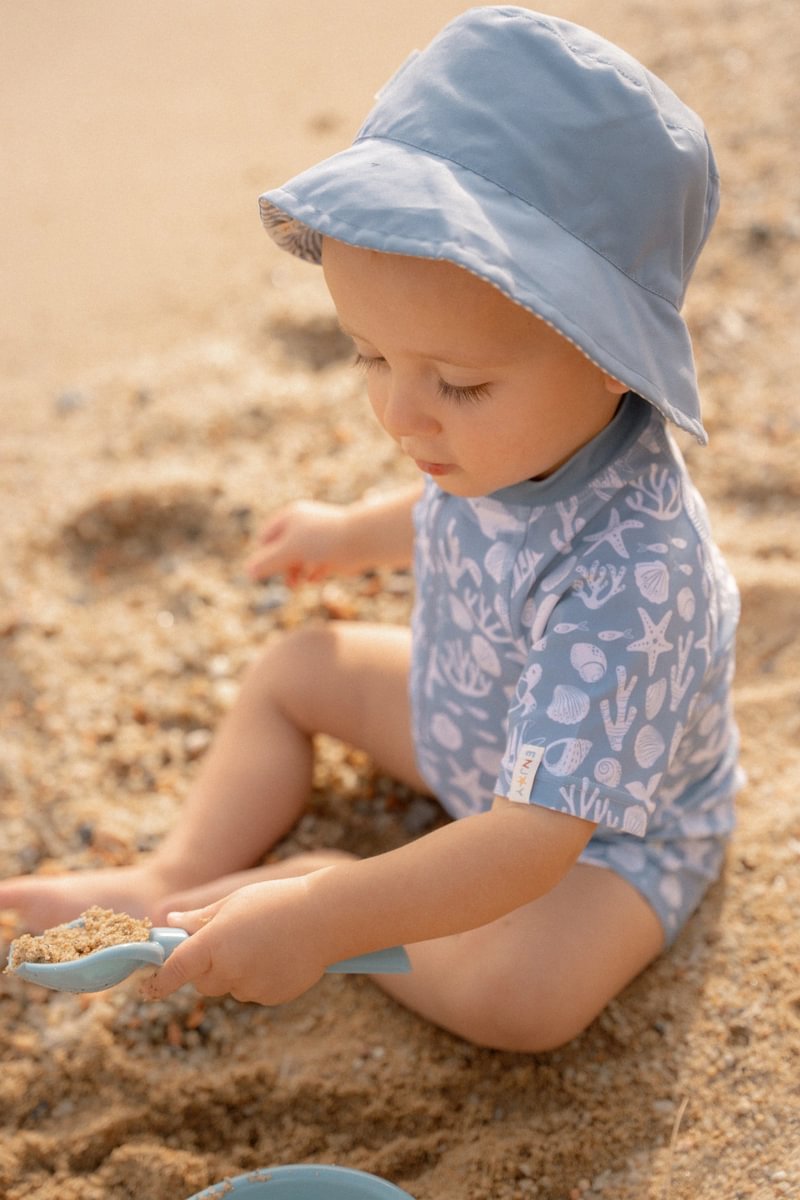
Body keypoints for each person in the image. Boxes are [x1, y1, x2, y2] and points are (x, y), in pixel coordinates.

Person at [0, 8, 741, 1052]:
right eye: (367, 356)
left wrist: (321, 916)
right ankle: (176, 870)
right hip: (468, 717)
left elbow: (528, 845)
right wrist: (352, 533)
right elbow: (455, 514)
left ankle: (319, 884)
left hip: (600, 834)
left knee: (523, 1004)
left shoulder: (634, 579)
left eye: (458, 383)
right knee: (297, 666)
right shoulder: (501, 440)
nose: (400, 416)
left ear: (610, 355)